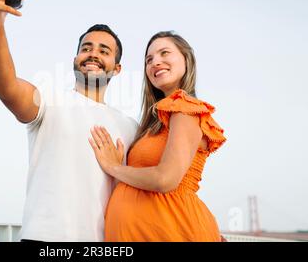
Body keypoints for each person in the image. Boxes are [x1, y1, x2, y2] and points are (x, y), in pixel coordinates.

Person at [0, 0, 138, 241]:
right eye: (86, 48)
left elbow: (153, 186)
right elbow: (6, 87)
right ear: (75, 58)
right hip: (44, 238)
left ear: (117, 68)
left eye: (104, 51)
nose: (93, 54)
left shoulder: (131, 127)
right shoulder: (49, 99)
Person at [88, 31, 227, 241]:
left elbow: (165, 179)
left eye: (165, 53)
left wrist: (113, 167)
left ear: (186, 60)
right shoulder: (154, 122)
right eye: (149, 60)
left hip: (173, 230)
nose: (156, 62)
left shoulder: (185, 110)